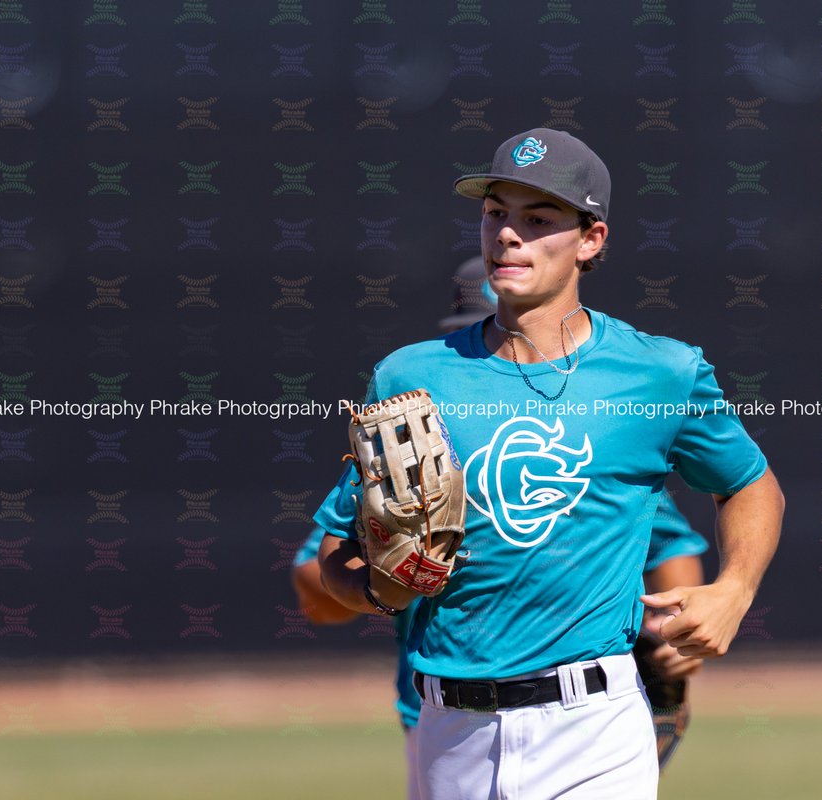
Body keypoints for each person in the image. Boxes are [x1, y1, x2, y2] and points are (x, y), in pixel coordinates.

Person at [313, 127, 785, 799]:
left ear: (591, 240)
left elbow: (749, 483)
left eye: (538, 219)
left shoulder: (658, 374)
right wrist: (372, 589)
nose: (508, 234)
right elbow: (336, 550)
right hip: (448, 732)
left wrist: (734, 590)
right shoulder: (409, 377)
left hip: (592, 725)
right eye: (496, 213)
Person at [294, 490, 708, 799]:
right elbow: (318, 580)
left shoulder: (594, 439)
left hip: (586, 715)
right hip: (443, 723)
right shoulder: (431, 452)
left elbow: (670, 545)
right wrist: (383, 581)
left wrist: (675, 624)